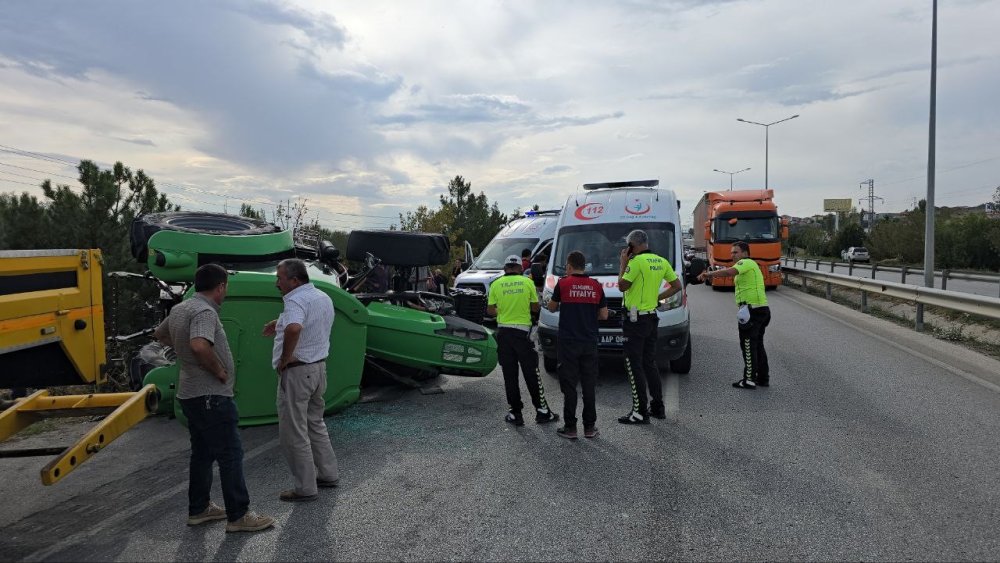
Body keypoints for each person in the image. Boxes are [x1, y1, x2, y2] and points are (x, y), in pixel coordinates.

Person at [153, 264, 274, 533]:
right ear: (220, 287)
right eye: (226, 287)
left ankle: (199, 509)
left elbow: (160, 335)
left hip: (190, 394)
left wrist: (183, 351)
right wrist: (218, 370)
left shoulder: (181, 308)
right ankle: (239, 515)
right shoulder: (205, 311)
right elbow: (199, 344)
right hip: (210, 396)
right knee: (230, 454)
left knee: (202, 454)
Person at [264, 258, 340, 502]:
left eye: (280, 278)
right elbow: (308, 323)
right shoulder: (322, 297)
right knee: (315, 423)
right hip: (318, 369)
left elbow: (296, 328)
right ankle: (328, 473)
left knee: (294, 432)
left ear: (294, 280)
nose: (277, 283)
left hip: (297, 372)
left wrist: (285, 359)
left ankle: (305, 488)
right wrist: (279, 323)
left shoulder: (295, 299)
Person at [617, 229, 682, 425]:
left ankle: (639, 412)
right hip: (652, 318)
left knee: (633, 364)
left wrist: (623, 263)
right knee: (649, 363)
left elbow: (622, 286)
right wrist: (657, 298)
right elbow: (677, 285)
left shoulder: (635, 262)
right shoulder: (661, 261)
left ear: (631, 246)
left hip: (635, 322)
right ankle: (657, 407)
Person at [487, 255, 559, 426]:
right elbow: (535, 307)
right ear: (520, 268)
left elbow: (490, 310)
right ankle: (542, 411)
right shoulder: (527, 282)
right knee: (531, 373)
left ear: (505, 268)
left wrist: (504, 312)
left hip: (504, 333)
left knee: (509, 376)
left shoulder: (495, 284)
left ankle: (515, 414)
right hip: (523, 333)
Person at [547, 250, 608, 439]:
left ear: (569, 266)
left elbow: (552, 307)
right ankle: (589, 428)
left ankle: (570, 428)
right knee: (589, 385)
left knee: (569, 385)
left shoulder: (563, 284)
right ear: (584, 266)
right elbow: (604, 315)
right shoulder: (596, 286)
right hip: (589, 342)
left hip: (568, 343)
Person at [697, 241, 771, 389]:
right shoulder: (749, 266)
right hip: (760, 309)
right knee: (757, 345)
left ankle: (749, 379)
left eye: (735, 252)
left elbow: (730, 272)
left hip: (753, 311)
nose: (732, 255)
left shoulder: (746, 262)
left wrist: (709, 274)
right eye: (731, 253)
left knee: (748, 345)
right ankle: (762, 378)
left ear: (745, 253)